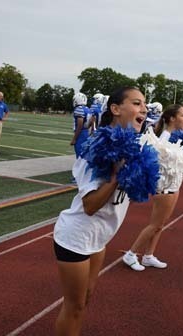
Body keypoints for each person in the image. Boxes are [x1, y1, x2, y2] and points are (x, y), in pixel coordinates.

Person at [53, 86, 148, 335]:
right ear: (115, 109)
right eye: (137, 103)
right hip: (76, 237)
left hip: (100, 238)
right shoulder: (96, 148)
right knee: (74, 306)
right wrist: (116, 176)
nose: (144, 109)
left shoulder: (134, 147)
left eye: (145, 105)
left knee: (85, 300)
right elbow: (91, 205)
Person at [122, 104, 183, 271]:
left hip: (174, 186)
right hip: (164, 188)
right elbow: (154, 162)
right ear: (172, 118)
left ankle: (149, 255)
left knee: (160, 225)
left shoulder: (174, 136)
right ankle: (130, 254)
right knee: (155, 225)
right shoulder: (164, 138)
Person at [70, 92, 91, 158]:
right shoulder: (87, 109)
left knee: (80, 155)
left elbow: (80, 125)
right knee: (85, 154)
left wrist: (74, 138)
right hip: (86, 132)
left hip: (81, 134)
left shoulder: (79, 109)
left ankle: (79, 168)